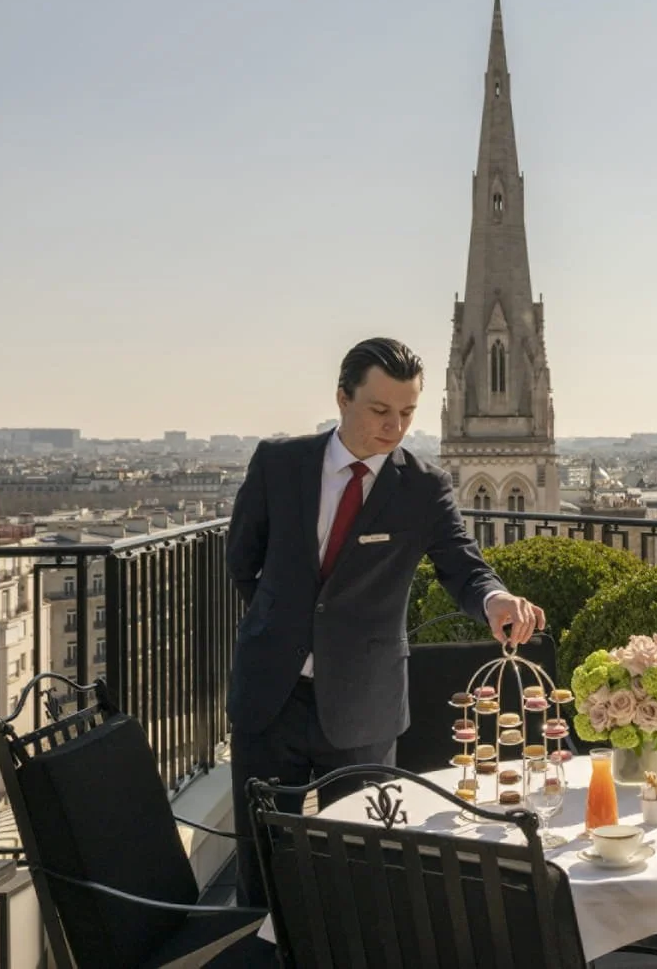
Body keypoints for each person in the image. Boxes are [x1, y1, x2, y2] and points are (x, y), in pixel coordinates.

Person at [225, 337, 544, 904]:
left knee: (365, 872)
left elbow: (463, 566)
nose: (394, 426)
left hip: (361, 708)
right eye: (380, 410)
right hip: (269, 697)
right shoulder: (280, 462)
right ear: (342, 398)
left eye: (407, 412)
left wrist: (494, 599)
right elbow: (243, 563)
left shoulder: (422, 487)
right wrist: (286, 626)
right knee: (264, 871)